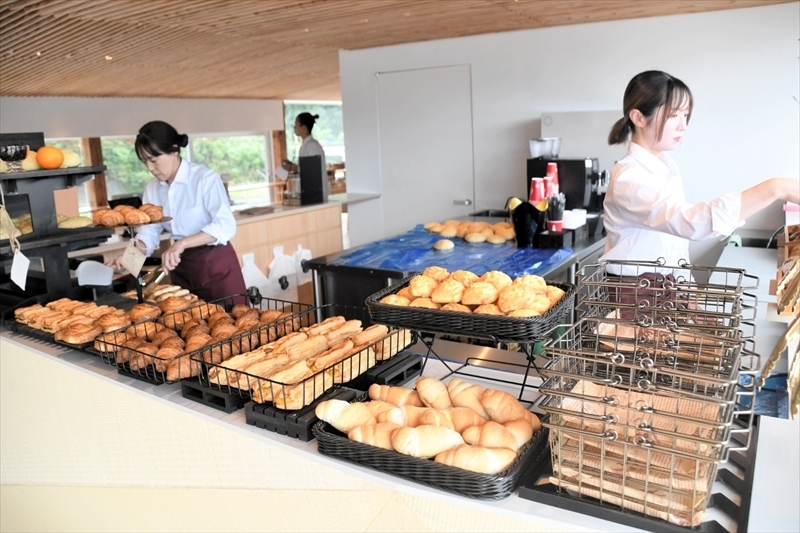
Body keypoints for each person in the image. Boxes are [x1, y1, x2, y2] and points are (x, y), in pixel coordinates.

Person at [601, 70, 799, 277]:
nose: (683, 126)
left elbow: (673, 245)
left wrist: (686, 290)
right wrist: (776, 188)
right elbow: (691, 223)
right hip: (634, 297)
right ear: (638, 118)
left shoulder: (665, 169)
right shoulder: (629, 179)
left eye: (685, 115)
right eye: (673, 115)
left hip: (662, 293)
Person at [109, 120, 247, 303]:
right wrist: (128, 261)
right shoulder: (152, 189)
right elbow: (149, 234)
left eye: (153, 160)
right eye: (144, 162)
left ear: (174, 150)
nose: (150, 168)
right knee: (189, 326)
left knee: (236, 324)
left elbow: (226, 225)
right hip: (181, 268)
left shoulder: (204, 178)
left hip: (216, 266)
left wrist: (182, 243)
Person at [282, 112, 328, 200]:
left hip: (315, 193)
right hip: (308, 193)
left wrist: (293, 168)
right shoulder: (305, 145)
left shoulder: (312, 146)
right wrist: (291, 165)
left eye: (296, 124)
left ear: (304, 128)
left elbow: (312, 170)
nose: (294, 127)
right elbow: (306, 166)